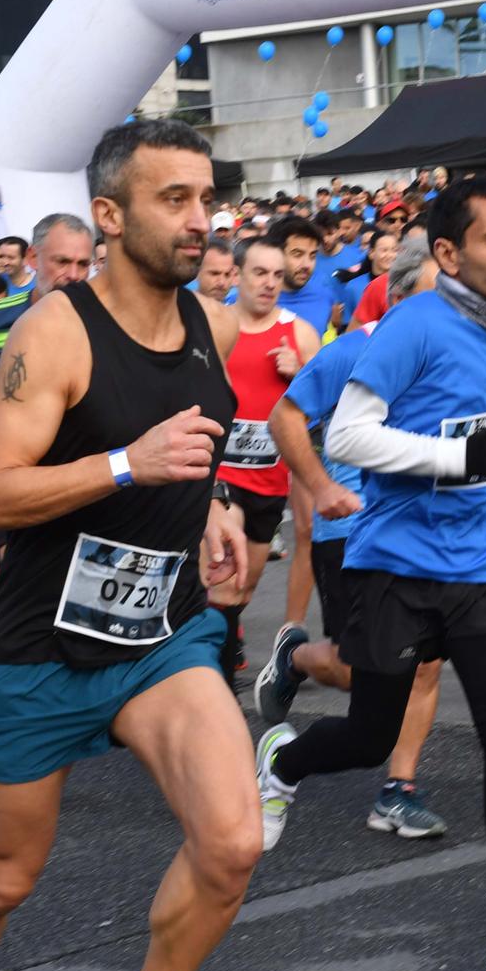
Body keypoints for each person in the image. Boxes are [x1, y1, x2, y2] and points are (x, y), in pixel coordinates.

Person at [0, 119, 257, 971]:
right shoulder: (52, 333)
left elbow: (188, 452)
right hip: (38, 653)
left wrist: (215, 510)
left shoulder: (210, 325)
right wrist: (124, 465)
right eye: (173, 200)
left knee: (234, 841)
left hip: (157, 636)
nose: (200, 220)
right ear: (110, 216)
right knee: (1, 882)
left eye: (205, 198)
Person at [254, 176, 486, 971]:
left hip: (480, 568)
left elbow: (485, 444)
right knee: (371, 734)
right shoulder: (414, 325)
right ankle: (282, 762)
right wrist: (460, 457)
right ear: (448, 253)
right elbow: (347, 434)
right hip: (395, 567)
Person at [254, 233, 450, 840]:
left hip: (424, 539)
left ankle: (399, 790)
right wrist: (316, 486)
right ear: (397, 299)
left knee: (424, 667)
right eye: (434, 299)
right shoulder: (352, 352)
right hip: (352, 535)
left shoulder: (456, 356)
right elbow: (283, 417)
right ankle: (297, 659)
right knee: (364, 674)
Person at [0, 214, 95, 576]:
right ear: (33, 258)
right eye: (62, 262)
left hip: (83, 471)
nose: (73, 274)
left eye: (83, 264)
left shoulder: (105, 317)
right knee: (12, 574)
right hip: (14, 470)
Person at [209, 237, 320, 676]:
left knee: (246, 583)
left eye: (277, 274)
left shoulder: (300, 333)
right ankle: (215, 682)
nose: (270, 283)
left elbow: (327, 407)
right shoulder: (217, 326)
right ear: (237, 275)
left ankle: (220, 636)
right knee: (224, 575)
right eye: (260, 273)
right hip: (220, 478)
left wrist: (302, 374)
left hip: (269, 481)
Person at [268, 215, 333, 335]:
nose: (307, 265)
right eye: (297, 254)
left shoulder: (324, 296)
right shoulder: (244, 302)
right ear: (275, 253)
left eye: (312, 256)